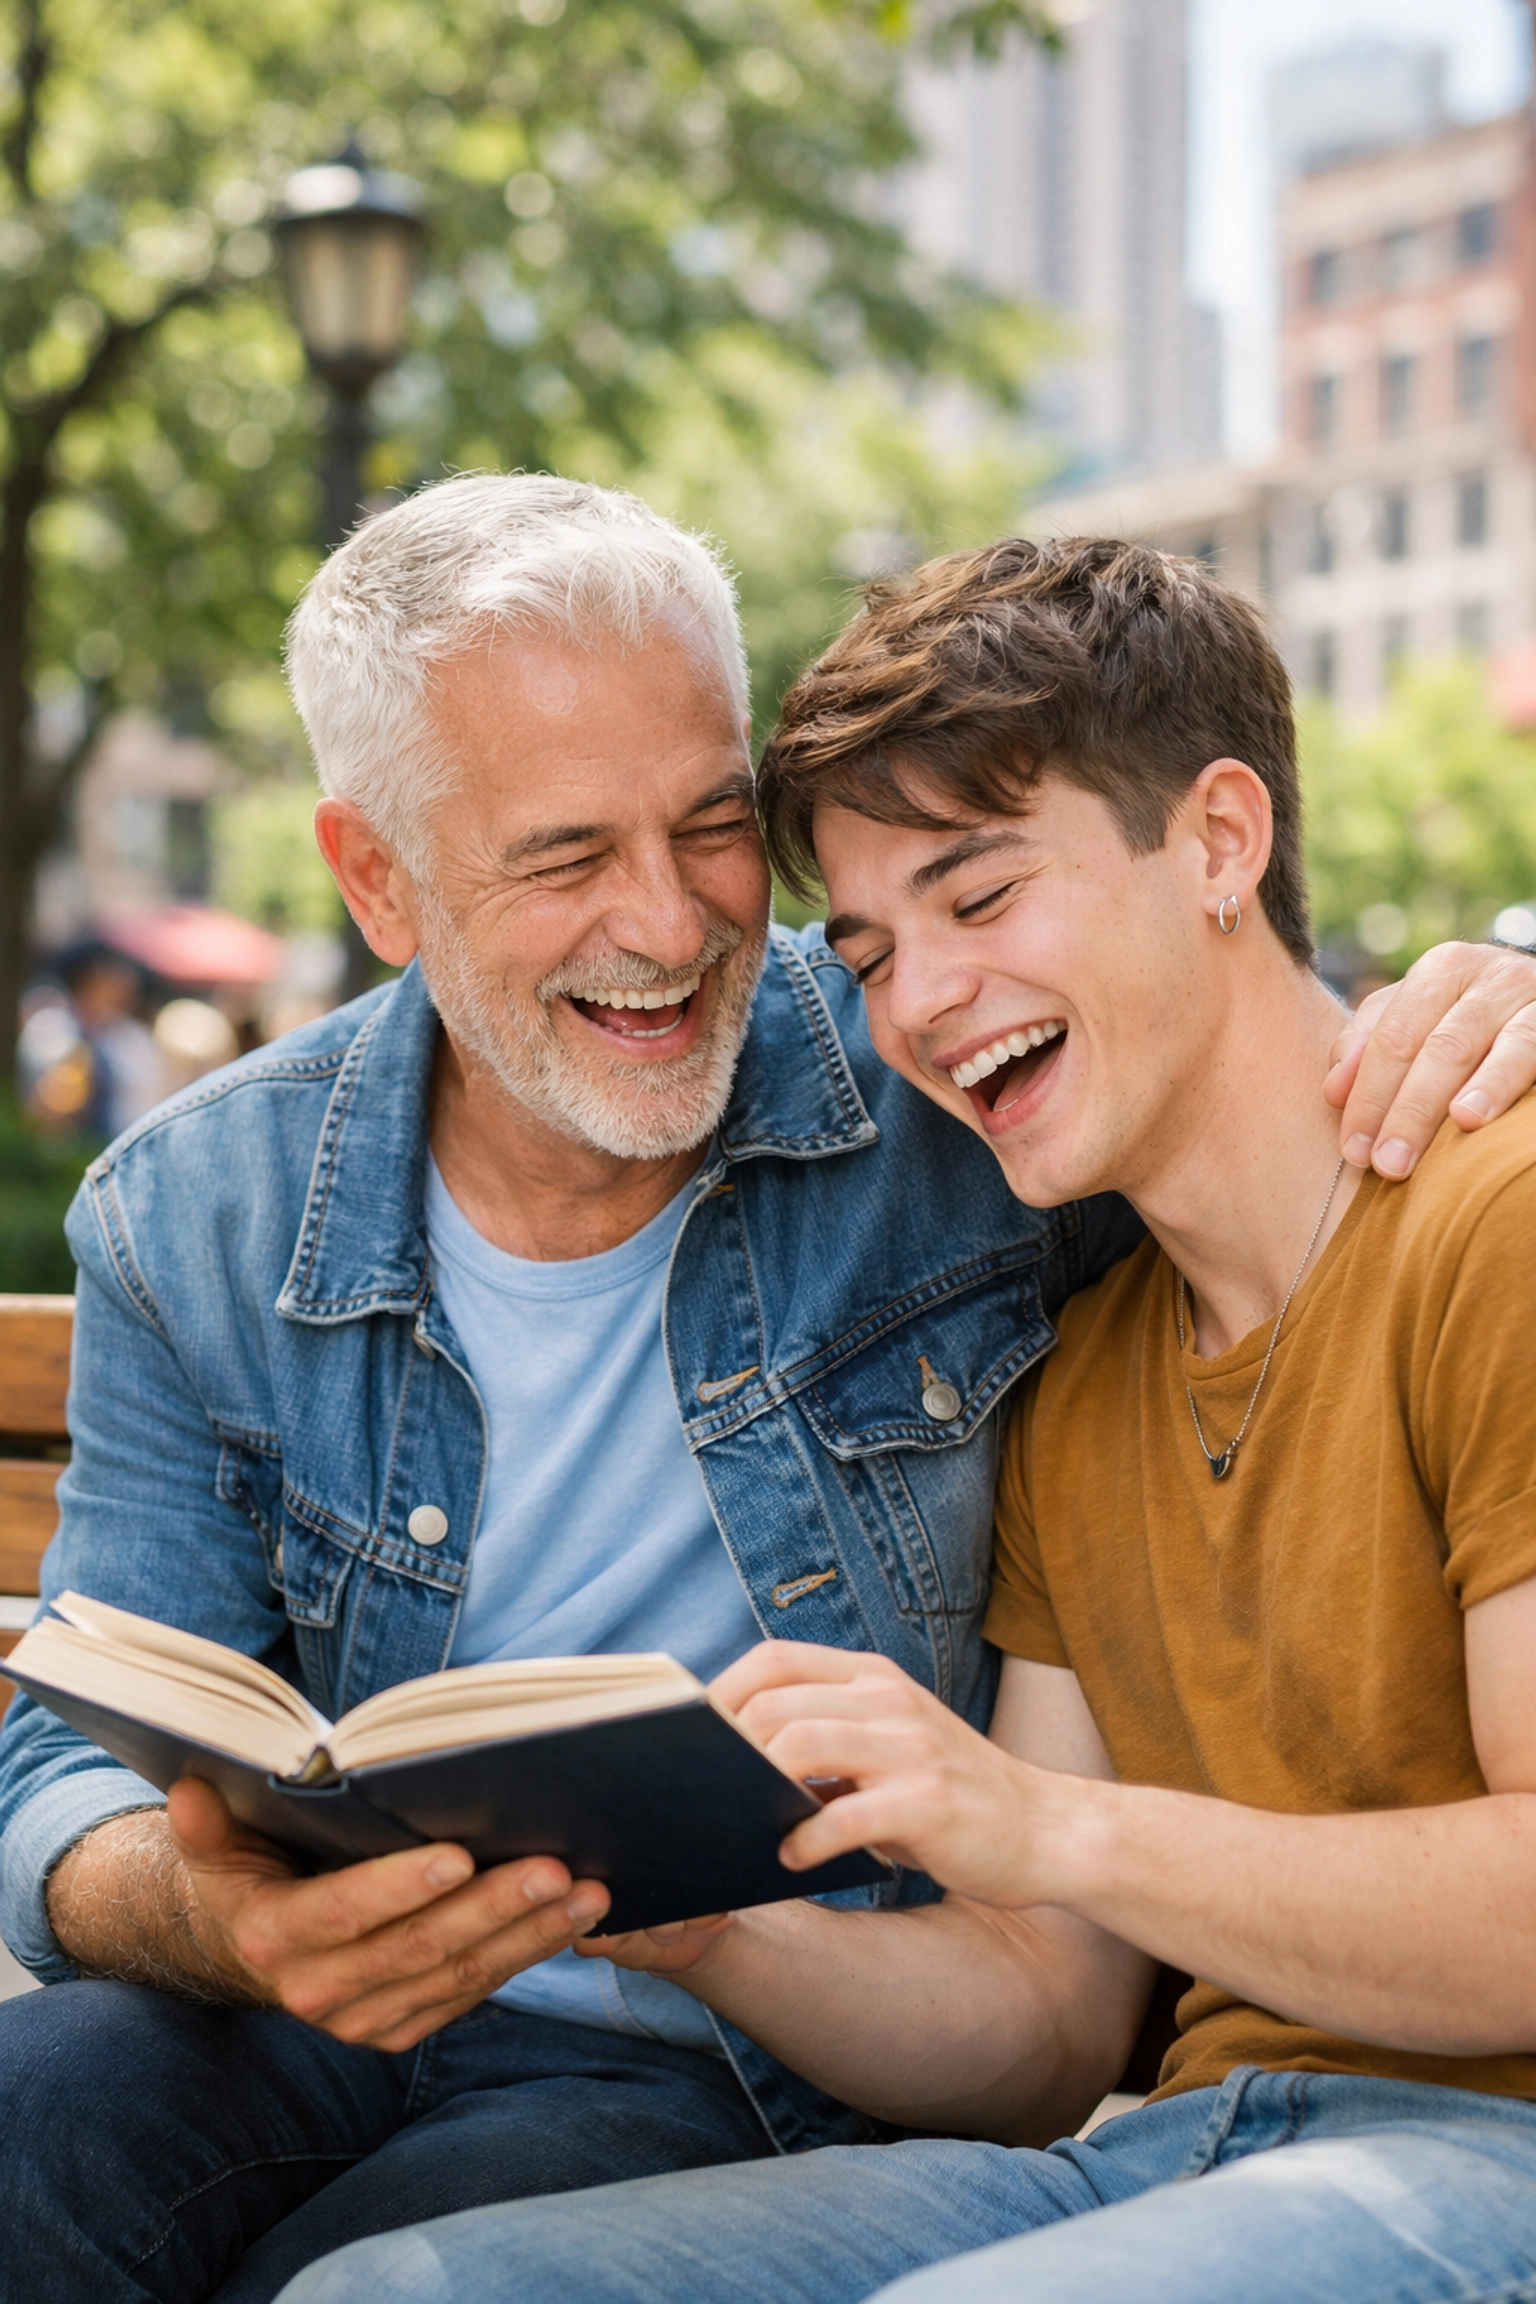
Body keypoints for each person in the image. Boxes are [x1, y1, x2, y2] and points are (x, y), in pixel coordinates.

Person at [0, 489, 1528, 2304]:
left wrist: (1506, 990)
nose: (666, 924)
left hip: (798, 2096)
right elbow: (71, 1748)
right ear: (379, 880)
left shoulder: (992, 1135)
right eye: (565, 854)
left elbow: (1238, 1051)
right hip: (418, 2011)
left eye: (716, 829)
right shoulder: (202, 1210)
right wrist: (250, 1916)